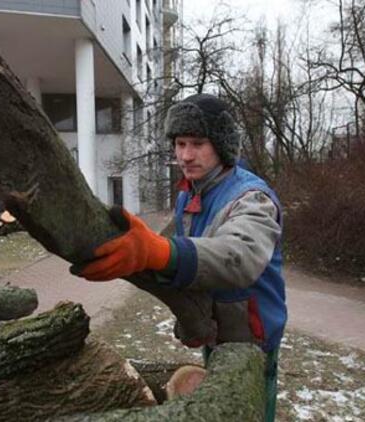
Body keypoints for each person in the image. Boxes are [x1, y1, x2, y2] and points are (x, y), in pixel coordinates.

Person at [74, 93, 286, 421]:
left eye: (197, 143)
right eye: (180, 143)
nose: (185, 155)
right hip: (216, 331)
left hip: (253, 339)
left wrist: (157, 251)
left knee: (250, 410)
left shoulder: (252, 198)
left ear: (222, 144)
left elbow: (238, 258)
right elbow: (189, 261)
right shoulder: (188, 194)